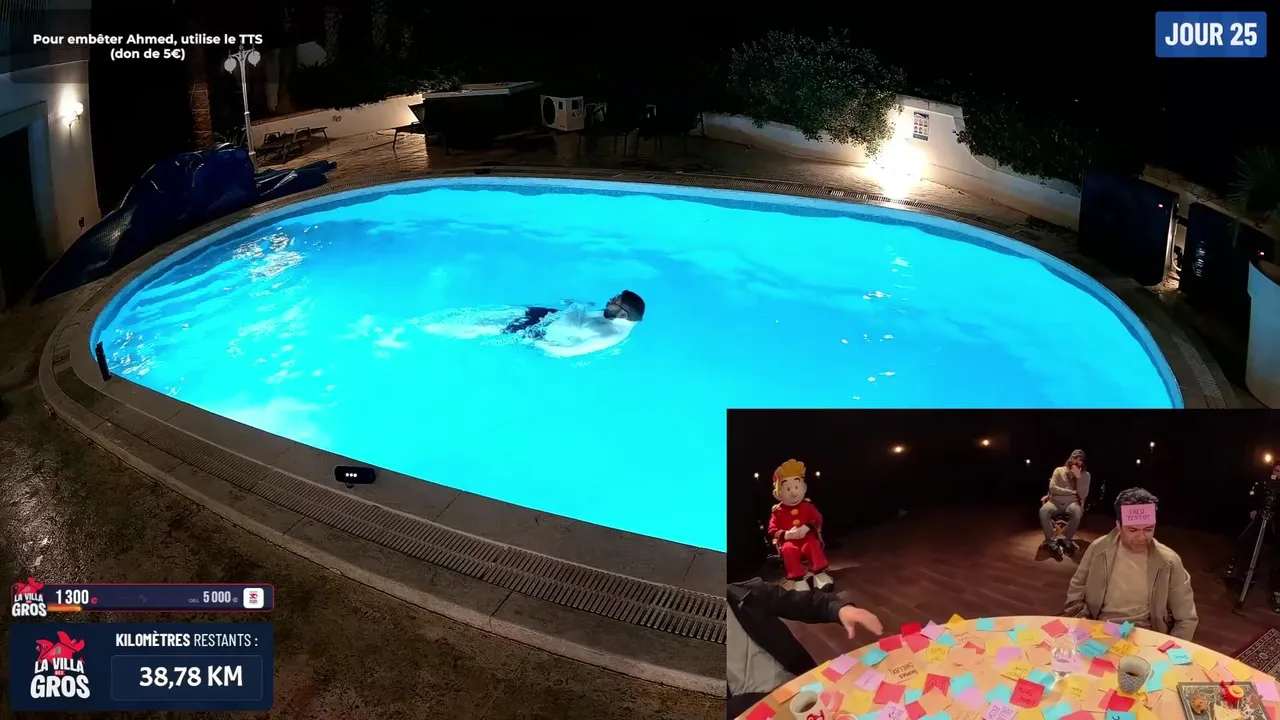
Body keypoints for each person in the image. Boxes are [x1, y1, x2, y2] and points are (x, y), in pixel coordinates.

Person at [726, 577, 883, 719]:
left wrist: (840, 609)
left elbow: (804, 602)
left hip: (800, 685)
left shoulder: (748, 594)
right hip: (748, 709)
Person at [1063, 487, 1199, 640]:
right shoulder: (1098, 549)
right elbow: (1076, 590)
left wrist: (1170, 648)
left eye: (1148, 529)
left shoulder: (1169, 561)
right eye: (1133, 530)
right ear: (1118, 525)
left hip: (1146, 634)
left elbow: (1186, 618)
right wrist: (1084, 623)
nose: (1142, 537)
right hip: (1099, 627)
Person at [501, 290, 645, 358]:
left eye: (615, 301)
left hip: (538, 333)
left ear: (623, 315)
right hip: (549, 318)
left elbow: (570, 352)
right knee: (512, 312)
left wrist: (536, 341)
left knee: (494, 328)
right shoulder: (611, 315)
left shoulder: (611, 335)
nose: (610, 300)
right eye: (615, 297)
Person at [1225, 461, 1280, 613]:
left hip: (1276, 526)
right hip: (1259, 520)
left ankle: (1276, 591)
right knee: (1246, 544)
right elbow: (1253, 497)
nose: (1278, 474)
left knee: (1274, 557)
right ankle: (1243, 577)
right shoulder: (1263, 483)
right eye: (1276, 471)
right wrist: (1255, 510)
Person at [1039, 450, 1091, 556]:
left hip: (1072, 503)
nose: (1077, 462)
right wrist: (1072, 492)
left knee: (1076, 513)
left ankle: (1067, 541)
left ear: (1083, 463)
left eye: (1080, 460)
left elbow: (1083, 495)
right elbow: (1052, 488)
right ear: (1070, 459)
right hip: (1055, 502)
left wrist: (1079, 479)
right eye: (1075, 458)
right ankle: (1052, 542)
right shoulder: (1059, 470)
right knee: (1043, 511)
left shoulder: (1085, 475)